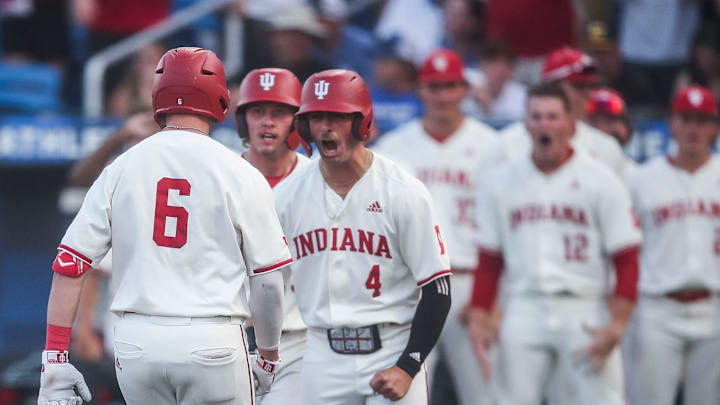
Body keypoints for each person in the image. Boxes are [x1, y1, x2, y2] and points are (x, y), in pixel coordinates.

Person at [37, 47, 290, 405]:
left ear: (159, 96)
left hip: (135, 344)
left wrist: (55, 357)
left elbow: (70, 263)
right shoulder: (240, 172)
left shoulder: (121, 166)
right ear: (219, 97)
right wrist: (268, 355)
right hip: (211, 340)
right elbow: (267, 282)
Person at [273, 69, 452, 404]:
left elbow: (438, 289)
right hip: (321, 353)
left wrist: (408, 366)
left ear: (361, 122)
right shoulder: (287, 196)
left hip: (392, 345)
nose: (326, 127)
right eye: (317, 117)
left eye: (338, 117)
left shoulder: (402, 191)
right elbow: (265, 279)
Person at [468, 82, 642, 405]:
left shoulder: (601, 179)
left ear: (570, 124)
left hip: (585, 305)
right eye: (536, 117)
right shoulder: (501, 181)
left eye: (552, 116)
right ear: (526, 124)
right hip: (523, 304)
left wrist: (618, 324)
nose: (544, 124)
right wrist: (480, 314)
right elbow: (490, 260)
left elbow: (627, 256)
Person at [374, 48, 502, 405]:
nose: (442, 95)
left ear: (464, 89)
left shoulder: (494, 148)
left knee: (486, 395)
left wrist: (494, 299)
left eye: (449, 86)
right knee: (404, 394)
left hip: (472, 284)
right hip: (413, 288)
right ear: (420, 90)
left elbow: (507, 228)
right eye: (434, 87)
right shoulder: (392, 149)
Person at [624, 85, 720, 405]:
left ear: (715, 127)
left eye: (703, 120)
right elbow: (624, 247)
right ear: (672, 124)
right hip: (657, 308)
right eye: (686, 119)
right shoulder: (641, 179)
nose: (694, 128)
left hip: (715, 307)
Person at [234, 67, 311, 405]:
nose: (267, 122)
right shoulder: (222, 175)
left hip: (297, 340)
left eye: (279, 112)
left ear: (297, 121)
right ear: (242, 121)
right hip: (230, 335)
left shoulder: (318, 179)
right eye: (257, 111)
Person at [500, 47, 627, 177]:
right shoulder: (506, 146)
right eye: (579, 86)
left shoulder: (607, 148)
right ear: (551, 87)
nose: (589, 94)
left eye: (592, 86)